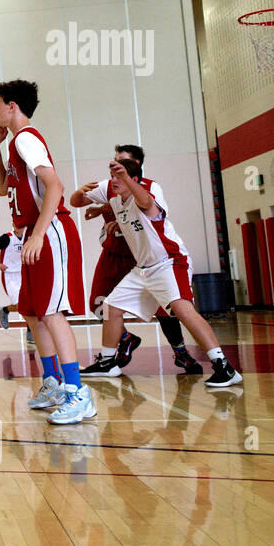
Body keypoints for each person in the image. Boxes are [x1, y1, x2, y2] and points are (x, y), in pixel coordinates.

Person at [79, 156, 242, 388]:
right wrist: (100, 212)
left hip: (169, 263)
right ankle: (107, 362)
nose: (114, 180)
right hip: (143, 270)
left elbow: (145, 203)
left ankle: (224, 366)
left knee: (183, 310)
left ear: (134, 179)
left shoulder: (147, 198)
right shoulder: (117, 203)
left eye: (120, 176)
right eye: (113, 176)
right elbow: (88, 203)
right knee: (110, 306)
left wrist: (126, 178)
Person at [0, 79, 87, 425]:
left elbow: (56, 185)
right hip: (33, 232)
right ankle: (52, 383)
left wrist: (38, 235)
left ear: (12, 106)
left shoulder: (27, 138)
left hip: (49, 230)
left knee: (52, 312)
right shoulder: (14, 144)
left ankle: (77, 394)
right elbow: (3, 188)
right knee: (32, 311)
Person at [69, 144, 202, 375]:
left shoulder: (149, 188)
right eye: (114, 160)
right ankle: (126, 339)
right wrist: (98, 208)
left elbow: (148, 213)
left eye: (122, 162)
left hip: (140, 256)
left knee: (166, 309)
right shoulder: (110, 186)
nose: (115, 165)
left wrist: (111, 217)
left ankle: (182, 353)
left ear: (135, 167)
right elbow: (79, 201)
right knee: (100, 304)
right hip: (113, 253)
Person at [0, 230, 35, 345]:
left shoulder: (28, 237)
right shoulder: (7, 238)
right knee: (20, 305)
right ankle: (5, 310)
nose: (18, 227)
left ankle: (30, 332)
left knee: (30, 304)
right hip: (10, 275)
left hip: (24, 273)